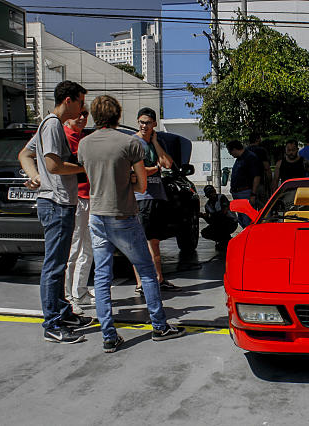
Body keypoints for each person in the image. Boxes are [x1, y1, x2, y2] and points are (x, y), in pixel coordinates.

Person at [77, 95, 186, 353]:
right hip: (124, 213)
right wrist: (129, 184)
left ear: (94, 115)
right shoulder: (129, 143)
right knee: (147, 271)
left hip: (97, 215)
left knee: (102, 278)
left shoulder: (84, 144)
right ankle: (159, 326)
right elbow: (142, 183)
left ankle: (109, 336)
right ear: (118, 115)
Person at [18, 80, 93, 344]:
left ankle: (63, 313)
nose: (83, 109)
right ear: (68, 100)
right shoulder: (51, 125)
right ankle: (52, 323)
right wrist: (85, 168)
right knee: (54, 266)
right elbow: (54, 165)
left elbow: (24, 155)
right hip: (57, 203)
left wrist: (34, 176)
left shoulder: (49, 125)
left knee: (59, 264)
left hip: (57, 201)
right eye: (81, 102)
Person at [132, 107, 181, 293]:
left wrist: (155, 142)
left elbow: (168, 164)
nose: (144, 126)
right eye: (142, 122)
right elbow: (137, 172)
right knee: (141, 242)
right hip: (141, 197)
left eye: (148, 123)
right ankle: (140, 283)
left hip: (157, 195)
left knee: (155, 241)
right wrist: (154, 168)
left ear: (154, 124)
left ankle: (159, 279)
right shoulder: (133, 142)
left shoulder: (155, 142)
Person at [63, 106, 95, 315]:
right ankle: (67, 297)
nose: (83, 117)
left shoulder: (84, 138)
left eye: (86, 114)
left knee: (89, 248)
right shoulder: (62, 136)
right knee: (72, 250)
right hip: (73, 199)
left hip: (90, 198)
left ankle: (80, 291)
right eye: (79, 113)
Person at [226, 140, 263, 228]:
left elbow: (256, 176)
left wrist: (253, 194)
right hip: (238, 193)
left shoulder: (250, 157)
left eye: (230, 152)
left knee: (247, 219)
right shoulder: (240, 159)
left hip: (245, 192)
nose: (231, 154)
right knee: (242, 218)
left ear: (234, 149)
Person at [199, 185, 238, 251]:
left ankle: (226, 240)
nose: (212, 195)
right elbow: (210, 221)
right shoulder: (207, 205)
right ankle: (222, 240)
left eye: (212, 192)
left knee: (221, 222)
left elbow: (224, 211)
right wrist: (204, 217)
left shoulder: (222, 197)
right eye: (209, 193)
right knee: (205, 232)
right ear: (207, 195)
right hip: (218, 224)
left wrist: (212, 215)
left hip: (230, 222)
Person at [246, 132, 272, 206]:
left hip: (248, 184)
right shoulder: (261, 150)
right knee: (264, 206)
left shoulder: (246, 151)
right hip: (261, 183)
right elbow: (266, 167)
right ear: (257, 139)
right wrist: (270, 181)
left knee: (251, 207)